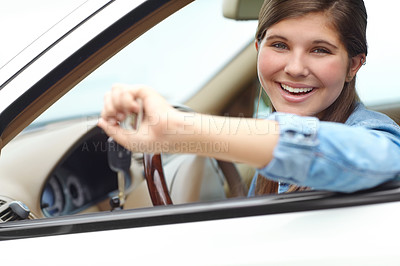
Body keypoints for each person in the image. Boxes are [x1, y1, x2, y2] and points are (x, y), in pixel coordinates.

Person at [98, 0, 400, 195]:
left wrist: (181, 130)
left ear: (353, 65)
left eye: (319, 50)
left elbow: (379, 158)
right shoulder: (267, 164)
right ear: (258, 49)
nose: (294, 68)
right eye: (279, 45)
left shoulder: (375, 133)